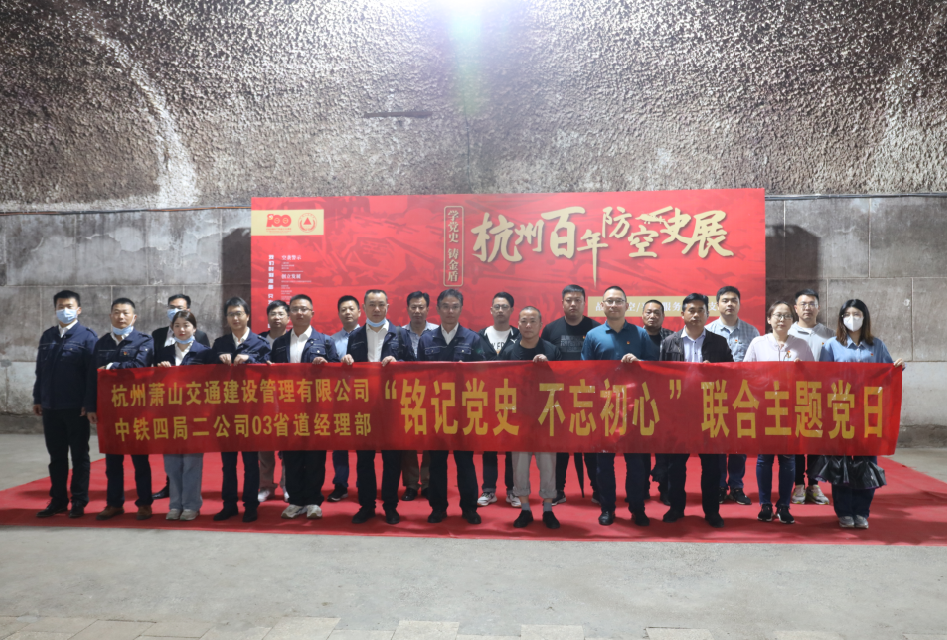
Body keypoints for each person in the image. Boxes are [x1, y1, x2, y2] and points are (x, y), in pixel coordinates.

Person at [816, 299, 905, 529]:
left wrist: (897, 368)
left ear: (864, 317)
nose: (852, 318)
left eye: (857, 314)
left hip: (868, 414)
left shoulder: (877, 345)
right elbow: (822, 378)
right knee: (841, 464)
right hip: (841, 412)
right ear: (841, 318)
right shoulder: (831, 346)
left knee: (867, 464)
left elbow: (887, 374)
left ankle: (862, 511)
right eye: (847, 314)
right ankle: (844, 511)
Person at [582, 286, 658, 526]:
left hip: (634, 408)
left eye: (618, 301)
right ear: (602, 306)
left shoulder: (640, 334)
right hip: (604, 409)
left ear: (627, 305)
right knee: (604, 465)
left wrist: (639, 362)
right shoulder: (593, 335)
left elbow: (654, 367)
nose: (614, 305)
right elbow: (585, 372)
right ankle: (607, 508)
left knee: (636, 464)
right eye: (609, 301)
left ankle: (637, 508)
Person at [660, 293, 734, 528]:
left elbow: (731, 377)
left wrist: (716, 371)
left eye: (701, 310)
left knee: (712, 466)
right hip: (678, 413)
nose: (696, 315)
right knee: (675, 466)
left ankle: (712, 511)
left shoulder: (719, 343)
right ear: (682, 314)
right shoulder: (669, 342)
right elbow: (660, 378)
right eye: (691, 310)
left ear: (707, 314)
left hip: (709, 410)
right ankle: (676, 507)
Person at [342, 289, 416, 525]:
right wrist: (346, 362)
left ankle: (390, 506)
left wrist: (398, 362)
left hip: (391, 408)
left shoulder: (400, 334)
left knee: (391, 460)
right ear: (363, 308)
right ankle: (366, 506)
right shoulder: (355, 336)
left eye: (381, 304)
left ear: (388, 307)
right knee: (364, 460)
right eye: (372, 305)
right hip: (363, 407)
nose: (376, 309)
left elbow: (413, 366)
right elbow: (350, 375)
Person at [417, 288, 488, 524]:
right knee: (436, 463)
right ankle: (438, 507)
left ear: (461, 309)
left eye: (455, 306)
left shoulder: (472, 338)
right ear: (437, 309)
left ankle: (469, 508)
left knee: (465, 462)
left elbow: (483, 372)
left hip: (464, 411)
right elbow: (419, 376)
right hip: (436, 411)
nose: (450, 311)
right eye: (445, 306)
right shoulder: (426, 339)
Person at [743, 301, 815, 525]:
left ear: (792, 320)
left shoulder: (801, 345)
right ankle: (765, 504)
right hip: (764, 409)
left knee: (788, 458)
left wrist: (802, 369)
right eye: (777, 315)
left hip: (790, 409)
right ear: (769, 319)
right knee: (764, 458)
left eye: (786, 316)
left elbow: (813, 377)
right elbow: (745, 373)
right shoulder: (758, 343)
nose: (782, 319)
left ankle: (784, 505)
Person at [270, 294, 339, 521]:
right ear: (289, 313)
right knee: (291, 457)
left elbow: (338, 373)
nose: (300, 313)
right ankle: (296, 501)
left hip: (316, 409)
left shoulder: (325, 341)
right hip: (288, 409)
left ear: (312, 313)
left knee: (315, 457)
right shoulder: (279, 343)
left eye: (304, 309)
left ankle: (313, 501)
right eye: (295, 309)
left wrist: (326, 366)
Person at [86, 298, 155, 521]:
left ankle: (144, 504)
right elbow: (92, 377)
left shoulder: (144, 341)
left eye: (125, 313)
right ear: (110, 316)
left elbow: (140, 367)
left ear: (134, 317)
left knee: (140, 461)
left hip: (137, 410)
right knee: (112, 461)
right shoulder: (102, 343)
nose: (121, 316)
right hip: (110, 411)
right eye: (116, 312)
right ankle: (114, 503)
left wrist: (112, 366)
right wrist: (90, 406)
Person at [33, 290, 98, 519]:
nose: (65, 310)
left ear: (78, 310)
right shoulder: (47, 336)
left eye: (69, 306)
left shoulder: (87, 337)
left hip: (76, 408)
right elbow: (40, 371)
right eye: (61, 306)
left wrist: (89, 403)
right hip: (51, 407)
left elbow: (92, 375)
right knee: (57, 457)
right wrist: (38, 398)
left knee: (79, 456)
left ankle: (79, 500)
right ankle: (58, 500)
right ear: (55, 309)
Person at [208, 296, 270, 522]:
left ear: (248, 316)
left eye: (239, 314)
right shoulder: (220, 343)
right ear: (226, 318)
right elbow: (207, 374)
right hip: (225, 413)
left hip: (251, 413)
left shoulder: (260, 343)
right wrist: (218, 359)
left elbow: (270, 371)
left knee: (251, 463)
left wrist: (251, 359)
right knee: (228, 464)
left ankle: (251, 505)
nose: (235, 318)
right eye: (231, 314)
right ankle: (229, 504)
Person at [500, 307, 563, 529]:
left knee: (548, 466)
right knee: (519, 466)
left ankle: (548, 509)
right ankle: (525, 509)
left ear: (540, 325)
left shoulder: (552, 350)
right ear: (518, 324)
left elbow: (564, 381)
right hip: (519, 419)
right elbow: (500, 382)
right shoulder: (509, 351)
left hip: (546, 417)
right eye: (524, 321)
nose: (528, 325)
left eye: (533, 321)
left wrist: (548, 367)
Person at [541, 284, 601, 506]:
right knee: (560, 447)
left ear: (584, 303)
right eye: (569, 300)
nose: (573, 304)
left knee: (591, 447)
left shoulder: (596, 329)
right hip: (559, 398)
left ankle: (598, 489)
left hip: (589, 397)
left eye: (577, 300)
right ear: (562, 303)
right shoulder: (550, 330)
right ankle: (558, 490)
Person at [151, 293, 211, 501]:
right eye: (177, 325)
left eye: (186, 325)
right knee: (171, 461)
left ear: (194, 328)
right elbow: (151, 377)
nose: (182, 329)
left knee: (192, 461)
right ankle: (175, 502)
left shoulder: (204, 351)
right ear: (172, 327)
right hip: (169, 412)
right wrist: (159, 371)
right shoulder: (163, 349)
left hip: (194, 413)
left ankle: (191, 504)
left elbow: (211, 380)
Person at [706, 285, 759, 506]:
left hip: (742, 395)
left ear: (739, 304)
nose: (730, 304)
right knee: (718, 442)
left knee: (739, 443)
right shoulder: (707, 330)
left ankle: (737, 486)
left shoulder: (752, 332)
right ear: (717, 304)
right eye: (725, 300)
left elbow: (757, 364)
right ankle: (719, 486)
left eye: (734, 300)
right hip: (715, 395)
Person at [787, 288, 834, 506]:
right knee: (797, 442)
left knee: (817, 443)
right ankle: (798, 484)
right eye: (803, 304)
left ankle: (814, 484)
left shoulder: (830, 335)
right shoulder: (788, 332)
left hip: (821, 396)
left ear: (819, 307)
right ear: (795, 308)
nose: (808, 308)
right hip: (794, 396)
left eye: (812, 304)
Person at [476, 292, 519, 509]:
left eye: (505, 307)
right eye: (497, 307)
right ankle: (489, 490)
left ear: (512, 310)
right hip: (486, 399)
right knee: (489, 446)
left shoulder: (521, 336)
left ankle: (513, 490)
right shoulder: (479, 337)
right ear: (491, 310)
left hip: (514, 400)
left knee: (512, 447)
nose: (500, 310)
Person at [400, 291, 437, 502]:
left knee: (431, 439)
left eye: (421, 307)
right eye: (413, 307)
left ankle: (429, 482)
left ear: (428, 309)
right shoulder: (398, 333)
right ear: (407, 309)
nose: (417, 311)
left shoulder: (437, 333)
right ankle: (412, 484)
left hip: (433, 394)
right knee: (408, 441)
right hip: (406, 394)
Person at [328, 295, 362, 503]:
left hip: (364, 399)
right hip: (339, 400)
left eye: (351, 309)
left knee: (363, 445)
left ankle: (363, 485)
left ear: (359, 312)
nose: (347, 312)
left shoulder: (368, 337)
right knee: (339, 444)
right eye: (343, 309)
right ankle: (340, 484)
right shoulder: (331, 340)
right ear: (339, 314)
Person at [257, 300, 291, 504]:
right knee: (265, 446)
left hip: (288, 399)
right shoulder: (258, 340)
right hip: (262, 400)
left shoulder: (292, 339)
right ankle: (266, 486)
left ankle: (287, 485)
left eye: (281, 314)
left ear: (288, 317)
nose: (277, 317)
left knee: (287, 447)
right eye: (273, 314)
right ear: (267, 317)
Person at [641, 299, 674, 506]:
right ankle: (641, 488)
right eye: (648, 312)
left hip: (665, 400)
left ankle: (665, 489)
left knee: (665, 448)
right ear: (642, 315)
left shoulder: (672, 337)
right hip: (640, 399)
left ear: (663, 316)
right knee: (641, 448)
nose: (652, 316)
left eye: (657, 313)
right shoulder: (635, 336)